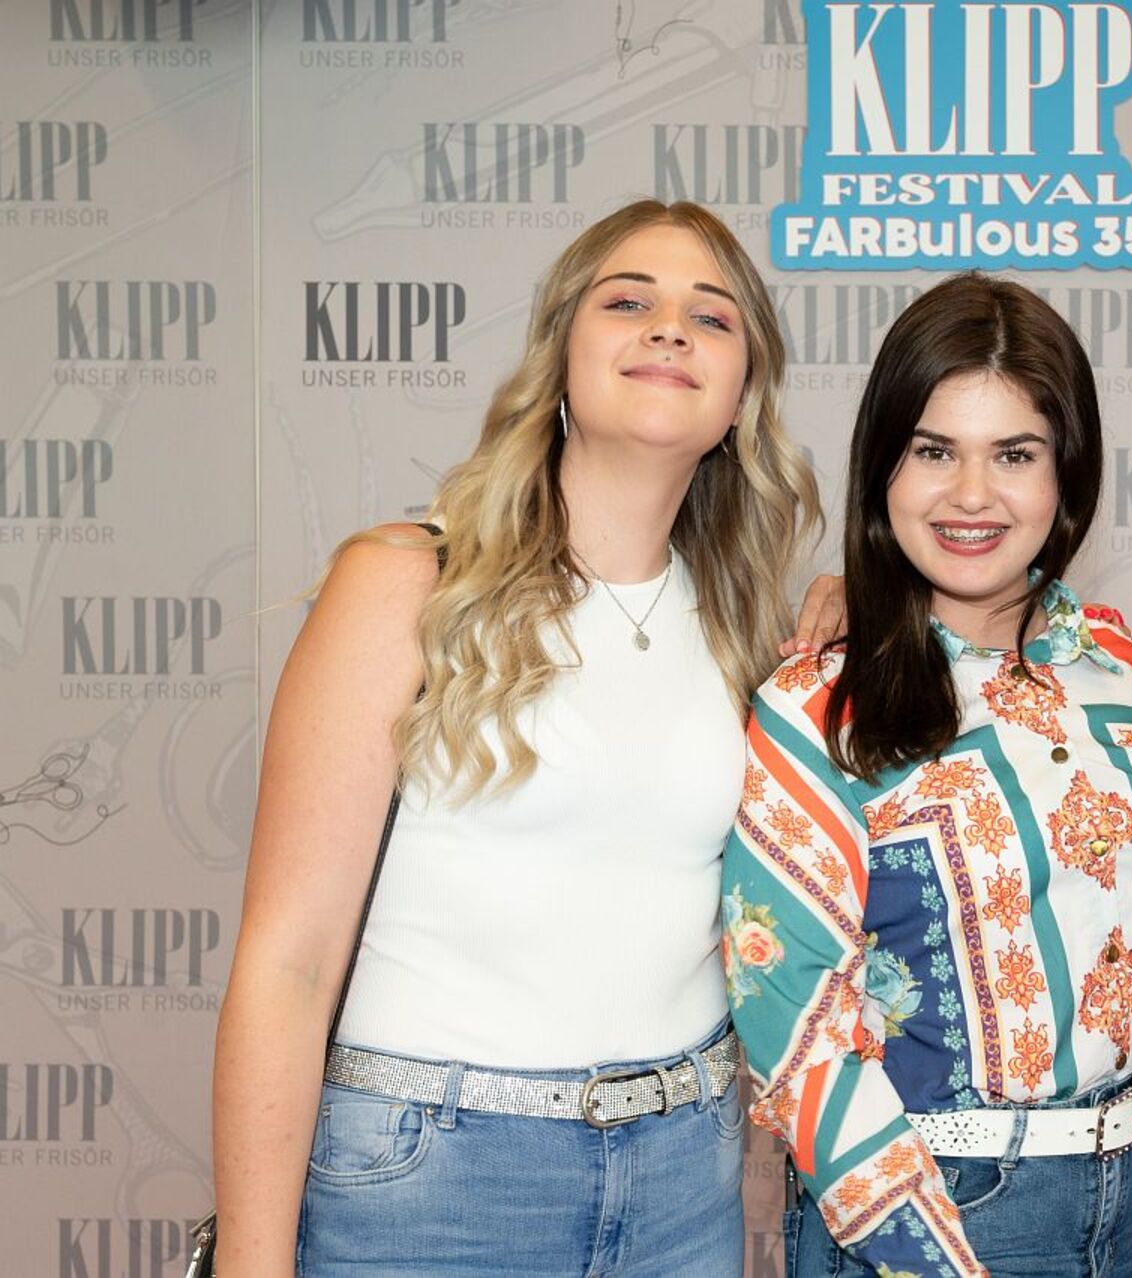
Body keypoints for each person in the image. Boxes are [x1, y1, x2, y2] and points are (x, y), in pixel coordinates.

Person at [212, 199, 829, 1277]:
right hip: (431, 1185)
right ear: (558, 358)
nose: (669, 328)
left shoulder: (748, 635)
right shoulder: (408, 583)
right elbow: (289, 963)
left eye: (711, 316)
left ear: (742, 398)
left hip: (685, 1185)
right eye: (627, 302)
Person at [722, 273, 1132, 1277]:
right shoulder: (820, 701)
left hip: (1127, 1207)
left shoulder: (1113, 663)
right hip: (938, 1207)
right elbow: (791, 1014)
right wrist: (923, 1250)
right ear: (883, 468)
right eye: (934, 451)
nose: (972, 494)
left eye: (1014, 454)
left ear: (1067, 473)